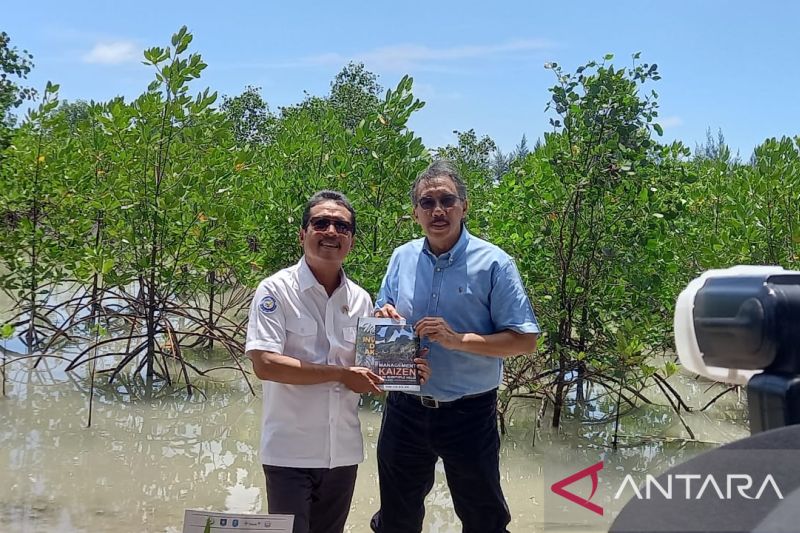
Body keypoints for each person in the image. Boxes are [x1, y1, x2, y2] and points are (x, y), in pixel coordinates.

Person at [370, 161, 540, 533]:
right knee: (396, 519)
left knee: (484, 519)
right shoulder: (401, 257)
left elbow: (525, 340)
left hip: (469, 414)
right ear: (415, 212)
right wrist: (384, 320)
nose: (438, 210)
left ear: (464, 206)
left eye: (447, 200)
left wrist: (457, 340)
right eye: (427, 202)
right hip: (404, 408)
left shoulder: (495, 263)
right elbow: (382, 324)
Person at [246, 190, 429, 533]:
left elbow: (369, 373)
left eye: (341, 226)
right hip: (289, 454)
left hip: (342, 455)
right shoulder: (274, 290)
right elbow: (265, 365)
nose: (331, 231)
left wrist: (406, 368)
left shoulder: (360, 300)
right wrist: (341, 375)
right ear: (303, 234)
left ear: (352, 240)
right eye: (321, 223)